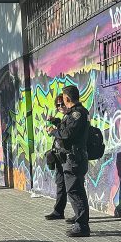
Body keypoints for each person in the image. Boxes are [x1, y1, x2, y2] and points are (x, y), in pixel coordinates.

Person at [48, 84, 90, 237]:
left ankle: (82, 225)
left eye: (63, 100)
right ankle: (79, 219)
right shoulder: (76, 113)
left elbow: (67, 134)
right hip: (73, 157)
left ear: (67, 98)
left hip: (74, 158)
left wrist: (54, 132)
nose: (62, 103)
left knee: (75, 191)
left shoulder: (77, 114)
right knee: (75, 190)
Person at [44, 94, 72, 222]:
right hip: (60, 157)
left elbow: (66, 134)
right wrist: (55, 121)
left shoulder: (73, 116)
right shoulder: (66, 117)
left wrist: (53, 131)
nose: (60, 107)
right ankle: (58, 211)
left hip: (69, 158)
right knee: (60, 184)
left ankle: (81, 217)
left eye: (62, 104)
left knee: (73, 187)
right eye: (58, 105)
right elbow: (62, 127)